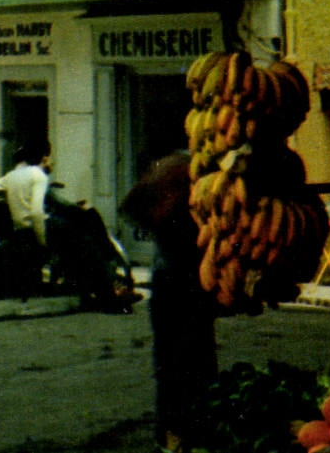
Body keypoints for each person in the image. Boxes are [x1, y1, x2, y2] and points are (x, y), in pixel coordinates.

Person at [120, 150, 218, 453]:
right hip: (179, 280)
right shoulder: (184, 172)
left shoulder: (173, 166)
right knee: (186, 360)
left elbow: (131, 209)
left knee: (180, 360)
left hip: (172, 277)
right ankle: (175, 432)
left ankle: (180, 430)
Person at [0, 142, 52, 293]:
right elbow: (36, 212)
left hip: (20, 230)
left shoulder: (10, 176)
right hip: (36, 229)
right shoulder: (38, 175)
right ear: (43, 158)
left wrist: (7, 201)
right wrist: (42, 241)